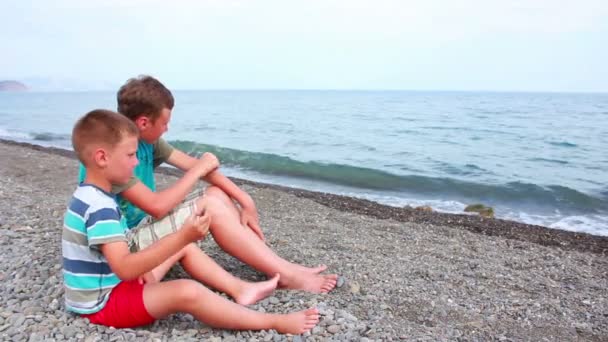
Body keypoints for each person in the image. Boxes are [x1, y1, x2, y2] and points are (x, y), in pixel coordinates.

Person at [63, 109, 319, 333]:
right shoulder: (100, 207)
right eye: (130, 155)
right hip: (104, 303)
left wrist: (178, 243)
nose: (137, 161)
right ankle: (272, 322)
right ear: (102, 158)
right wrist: (183, 236)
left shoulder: (91, 195)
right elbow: (125, 268)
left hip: (110, 285)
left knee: (180, 248)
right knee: (188, 291)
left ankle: (241, 289)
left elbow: (120, 259)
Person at [79, 75, 337, 293]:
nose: (167, 129)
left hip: (139, 229)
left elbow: (198, 167)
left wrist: (245, 200)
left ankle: (283, 267)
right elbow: (157, 206)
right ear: (144, 122)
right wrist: (200, 168)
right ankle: (286, 274)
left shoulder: (146, 141)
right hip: (123, 247)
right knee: (210, 205)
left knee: (215, 193)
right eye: (165, 123)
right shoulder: (115, 157)